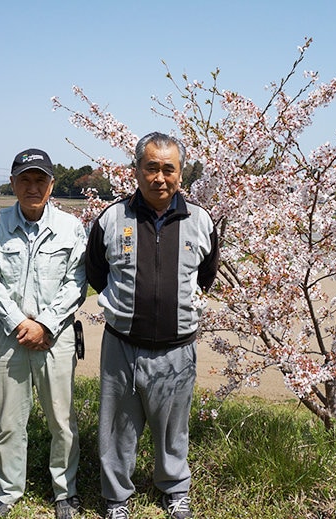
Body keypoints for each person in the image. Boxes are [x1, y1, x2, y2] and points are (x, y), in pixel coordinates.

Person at [86, 132, 219, 519]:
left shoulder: (199, 220)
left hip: (178, 348)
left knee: (173, 429)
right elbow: (97, 271)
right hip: (121, 345)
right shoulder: (112, 218)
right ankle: (116, 499)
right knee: (116, 429)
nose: (159, 177)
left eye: (168, 169)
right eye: (151, 168)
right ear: (137, 170)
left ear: (181, 174)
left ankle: (175, 489)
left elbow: (205, 275)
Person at [0, 148, 87, 519]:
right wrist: (21, 323)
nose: (33, 186)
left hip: (57, 337)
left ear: (52, 185)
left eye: (40, 179)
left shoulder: (71, 228)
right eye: (25, 179)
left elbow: (76, 282)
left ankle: (64, 492)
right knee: (8, 420)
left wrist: (46, 324)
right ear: (13, 183)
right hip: (10, 337)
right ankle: (9, 490)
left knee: (62, 420)